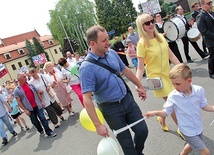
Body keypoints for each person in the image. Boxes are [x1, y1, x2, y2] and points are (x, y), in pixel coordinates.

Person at [79, 25, 148, 155]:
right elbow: (87, 98)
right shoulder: (86, 68)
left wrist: (139, 85)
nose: (108, 42)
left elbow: (126, 70)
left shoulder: (111, 53)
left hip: (127, 100)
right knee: (127, 145)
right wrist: (98, 125)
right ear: (92, 43)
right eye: (104, 40)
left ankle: (138, 152)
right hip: (111, 110)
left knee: (142, 130)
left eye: (107, 39)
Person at [145, 63, 213, 155]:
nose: (175, 87)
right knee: (206, 152)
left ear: (189, 80)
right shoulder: (173, 96)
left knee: (191, 145)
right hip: (187, 130)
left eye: (178, 84)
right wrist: (156, 113)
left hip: (198, 127)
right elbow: (166, 113)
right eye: (173, 84)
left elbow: (204, 105)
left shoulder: (199, 90)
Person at [135, 14, 180, 133]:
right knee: (173, 102)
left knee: (170, 102)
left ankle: (161, 118)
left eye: (151, 21)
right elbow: (140, 68)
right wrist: (137, 84)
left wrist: (182, 67)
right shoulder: (141, 44)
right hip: (156, 78)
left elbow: (171, 55)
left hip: (168, 74)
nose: (151, 24)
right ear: (142, 26)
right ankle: (182, 129)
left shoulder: (160, 37)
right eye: (147, 23)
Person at [14, 73, 57, 137]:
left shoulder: (30, 85)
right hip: (29, 109)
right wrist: (25, 110)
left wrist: (42, 101)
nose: (26, 77)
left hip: (37, 105)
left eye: (25, 76)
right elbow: (19, 102)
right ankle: (40, 130)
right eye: (24, 77)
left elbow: (37, 93)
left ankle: (49, 131)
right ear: (19, 79)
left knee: (43, 118)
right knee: (35, 121)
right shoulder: (17, 90)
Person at [197, 0, 214, 79]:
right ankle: (211, 72)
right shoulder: (201, 16)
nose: (210, 5)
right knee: (212, 57)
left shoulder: (210, 13)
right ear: (202, 5)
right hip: (210, 40)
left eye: (210, 3)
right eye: (208, 3)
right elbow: (203, 30)